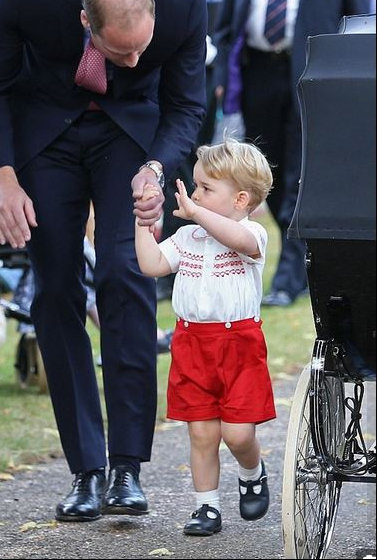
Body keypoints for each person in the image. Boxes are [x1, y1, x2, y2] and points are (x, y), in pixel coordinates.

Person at [0, 0, 207, 522]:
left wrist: (155, 169)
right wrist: (2, 178)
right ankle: (86, 468)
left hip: (130, 134)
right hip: (45, 129)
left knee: (125, 272)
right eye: (119, 51)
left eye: (141, 48)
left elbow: (187, 105)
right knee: (55, 289)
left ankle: (126, 467)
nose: (133, 61)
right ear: (83, 19)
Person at [135, 138, 276, 536]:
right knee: (202, 431)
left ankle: (252, 471)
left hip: (239, 346)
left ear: (241, 199)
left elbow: (239, 241)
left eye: (204, 189)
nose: (194, 196)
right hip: (192, 343)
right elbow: (152, 264)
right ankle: (206, 507)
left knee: (237, 433)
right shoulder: (188, 238)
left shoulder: (252, 235)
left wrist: (196, 212)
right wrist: (144, 223)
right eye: (195, 187)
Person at [212, 0, 369, 307]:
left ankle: (289, 276)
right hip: (258, 73)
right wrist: (223, 74)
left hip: (316, 73)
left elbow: (359, 19)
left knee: (304, 172)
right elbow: (227, 19)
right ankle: (298, 257)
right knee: (270, 170)